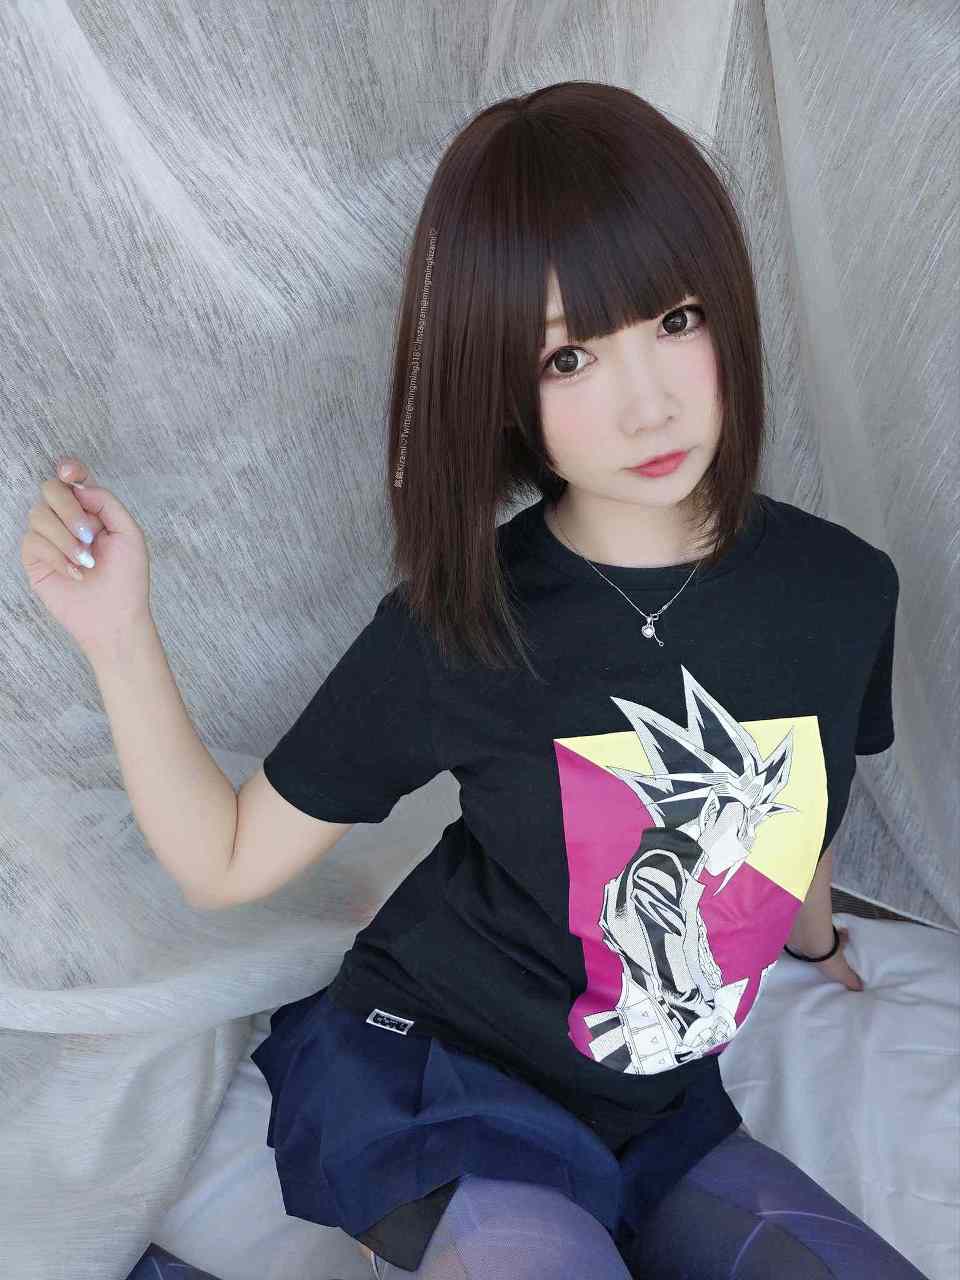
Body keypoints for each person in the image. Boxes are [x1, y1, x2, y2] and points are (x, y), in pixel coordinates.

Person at [22, 83, 922, 1279]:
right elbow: (224, 859)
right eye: (570, 355)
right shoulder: (465, 618)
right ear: (502, 387)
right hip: (440, 1066)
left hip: (659, 1105)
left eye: (676, 318)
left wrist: (813, 944)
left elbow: (800, 802)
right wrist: (119, 632)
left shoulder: (843, 589)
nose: (647, 400)